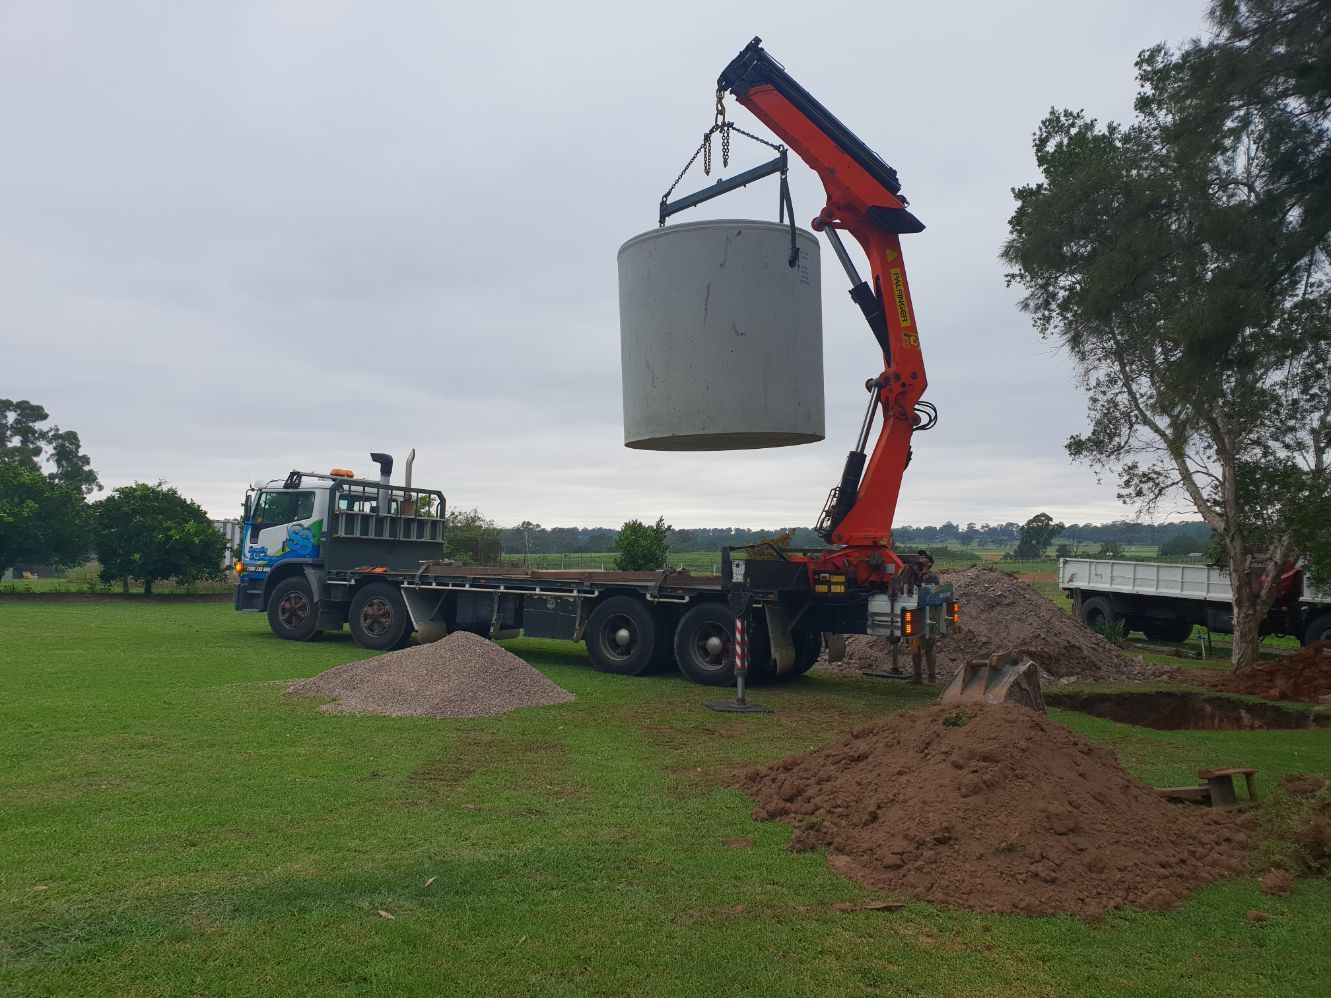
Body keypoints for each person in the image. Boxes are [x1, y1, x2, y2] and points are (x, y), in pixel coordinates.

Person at [911, 550, 940, 684]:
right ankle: (917, 675)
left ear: (930, 563)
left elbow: (929, 595)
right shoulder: (916, 575)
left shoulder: (931, 577)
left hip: (928, 613)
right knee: (915, 645)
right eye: (920, 556)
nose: (921, 558)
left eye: (924, 557)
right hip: (916, 612)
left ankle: (931, 676)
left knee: (929, 646)